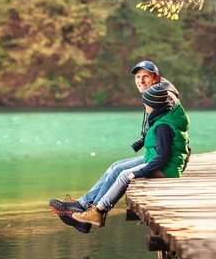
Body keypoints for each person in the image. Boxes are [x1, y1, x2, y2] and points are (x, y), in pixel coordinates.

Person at [48, 60, 186, 233]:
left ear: (156, 78)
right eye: (138, 77)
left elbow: (168, 134)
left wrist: (177, 159)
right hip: (158, 154)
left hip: (163, 159)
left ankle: (92, 212)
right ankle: (84, 206)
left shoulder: (163, 98)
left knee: (122, 174)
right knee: (115, 167)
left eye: (145, 77)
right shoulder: (157, 93)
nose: (141, 81)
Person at [71, 83, 190, 227]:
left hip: (166, 169)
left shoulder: (163, 126)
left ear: (153, 106)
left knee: (124, 176)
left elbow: (163, 157)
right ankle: (92, 208)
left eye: (146, 104)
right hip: (162, 162)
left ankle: (99, 211)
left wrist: (140, 172)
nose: (145, 107)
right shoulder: (165, 117)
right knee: (116, 167)